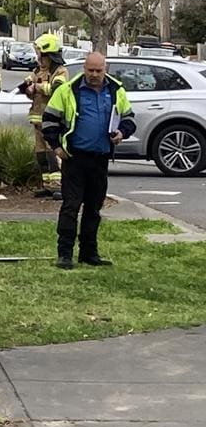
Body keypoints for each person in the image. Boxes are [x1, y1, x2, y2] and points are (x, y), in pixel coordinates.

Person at [42, 52, 136, 269]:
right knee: (71, 206)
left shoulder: (115, 90)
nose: (94, 75)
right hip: (74, 158)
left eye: (98, 71)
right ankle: (64, 253)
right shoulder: (68, 90)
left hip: (100, 158)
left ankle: (88, 253)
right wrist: (56, 147)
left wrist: (122, 132)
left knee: (94, 207)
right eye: (90, 70)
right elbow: (49, 120)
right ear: (84, 68)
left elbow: (129, 119)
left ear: (106, 69)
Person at [22, 34, 69, 199]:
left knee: (52, 153)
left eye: (40, 53)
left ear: (49, 55)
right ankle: (47, 185)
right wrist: (27, 88)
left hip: (52, 121)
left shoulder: (61, 71)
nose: (38, 57)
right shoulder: (37, 71)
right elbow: (26, 86)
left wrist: (37, 87)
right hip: (37, 119)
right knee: (41, 154)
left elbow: (58, 89)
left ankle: (59, 186)